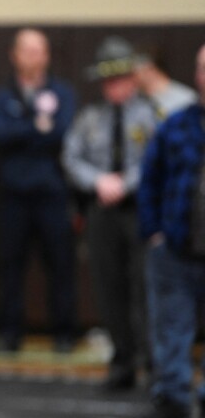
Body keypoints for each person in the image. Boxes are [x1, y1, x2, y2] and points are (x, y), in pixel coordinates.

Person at [62, 36, 158, 390]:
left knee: (143, 288)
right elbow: (71, 158)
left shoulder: (151, 115)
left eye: (120, 78)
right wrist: (99, 180)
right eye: (108, 79)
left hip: (139, 211)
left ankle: (153, 362)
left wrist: (126, 183)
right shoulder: (90, 118)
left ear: (133, 78)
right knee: (108, 287)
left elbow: (156, 160)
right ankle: (122, 361)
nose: (114, 86)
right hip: (101, 210)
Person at [0, 28, 77, 353]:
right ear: (14, 55)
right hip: (12, 195)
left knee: (61, 264)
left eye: (39, 50)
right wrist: (35, 129)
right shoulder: (1, 96)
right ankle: (9, 333)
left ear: (48, 56)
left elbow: (62, 133)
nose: (33, 57)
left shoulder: (62, 93)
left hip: (52, 192)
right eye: (27, 50)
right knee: (10, 266)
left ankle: (64, 333)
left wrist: (23, 133)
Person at [135, 43, 205, 418]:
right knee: (170, 331)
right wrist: (155, 233)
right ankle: (174, 403)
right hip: (175, 249)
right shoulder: (176, 125)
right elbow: (150, 182)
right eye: (201, 69)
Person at [133, 50, 197, 120]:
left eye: (135, 73)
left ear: (150, 70)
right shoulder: (135, 97)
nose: (132, 78)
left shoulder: (185, 98)